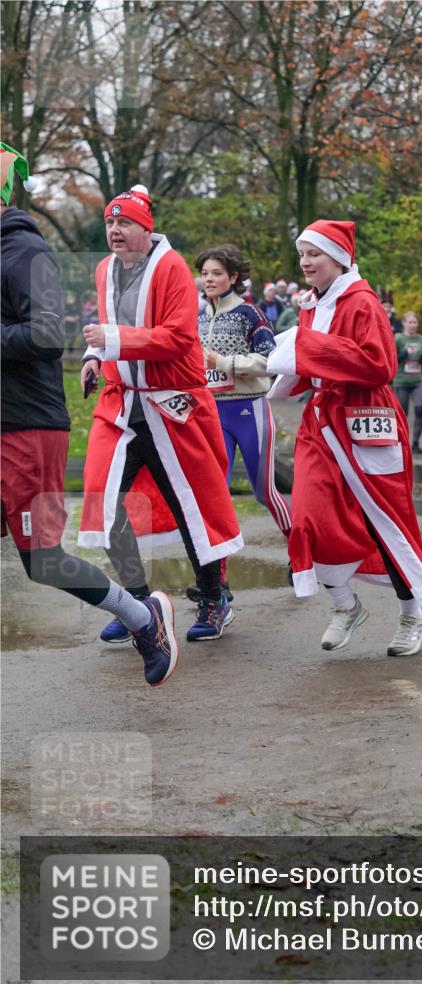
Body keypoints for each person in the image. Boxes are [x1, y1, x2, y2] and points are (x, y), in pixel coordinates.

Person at [0, 143, 176, 688]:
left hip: (26, 427)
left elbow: (49, 334)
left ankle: (144, 619)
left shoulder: (23, 251)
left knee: (44, 560)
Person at [266, 219, 422, 656]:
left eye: (314, 254)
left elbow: (379, 364)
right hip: (320, 425)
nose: (305, 262)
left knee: (385, 521)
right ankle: (345, 606)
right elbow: (311, 363)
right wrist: (266, 368)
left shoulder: (363, 302)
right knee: (307, 516)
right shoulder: (309, 305)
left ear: (338, 257)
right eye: (302, 254)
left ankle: (412, 615)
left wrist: (303, 350)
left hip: (367, 419)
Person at [79, 184, 243, 643]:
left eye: (124, 222)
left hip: (172, 405)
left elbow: (175, 337)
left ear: (145, 227)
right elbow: (107, 328)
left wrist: (110, 340)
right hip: (121, 402)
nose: (114, 229)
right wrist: (96, 358)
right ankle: (137, 606)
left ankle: (214, 599)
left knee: (193, 506)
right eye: (110, 222)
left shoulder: (171, 267)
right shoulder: (103, 269)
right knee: (101, 501)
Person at [194, 244, 291, 599]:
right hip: (212, 412)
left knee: (264, 491)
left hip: (250, 410)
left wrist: (223, 362)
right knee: (214, 495)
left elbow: (270, 360)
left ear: (233, 277)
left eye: (217, 273)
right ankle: (217, 579)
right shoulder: (197, 315)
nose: (209, 280)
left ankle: (299, 551)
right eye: (205, 273)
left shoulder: (250, 314)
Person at [393, 311, 422, 455]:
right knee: (403, 414)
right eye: (410, 322)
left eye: (415, 322)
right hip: (402, 381)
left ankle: (415, 443)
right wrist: (402, 355)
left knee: (419, 410)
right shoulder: (398, 338)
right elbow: (391, 358)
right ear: (404, 324)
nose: (413, 325)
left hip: (418, 380)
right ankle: (402, 443)